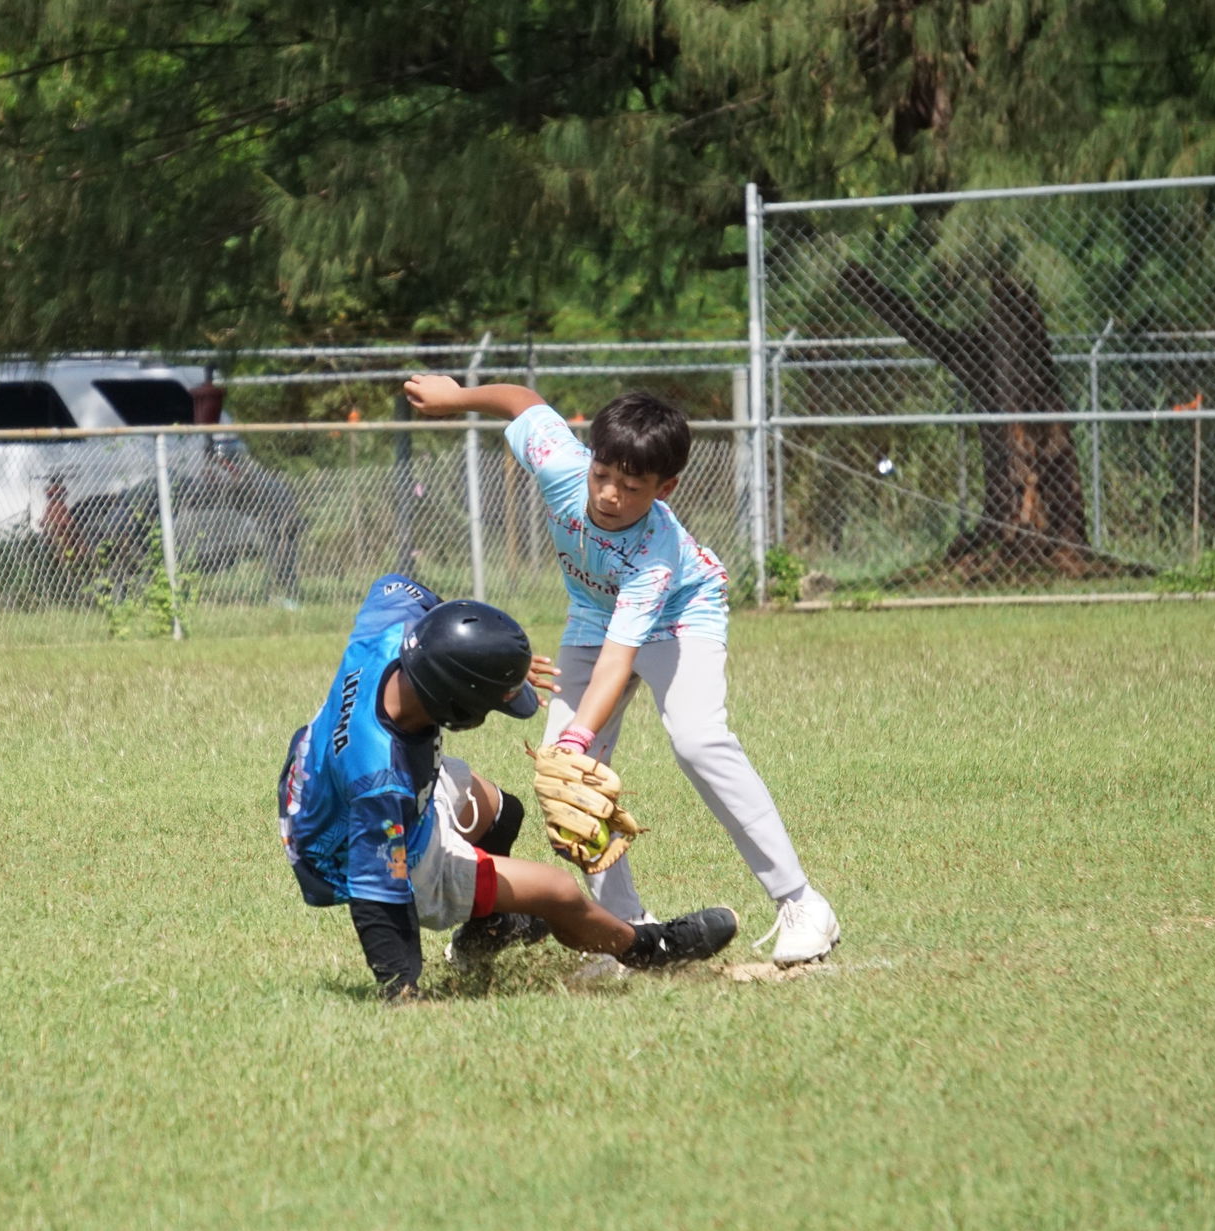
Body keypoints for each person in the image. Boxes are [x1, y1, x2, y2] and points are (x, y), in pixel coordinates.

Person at [402, 376, 841, 967]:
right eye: (602, 475)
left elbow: (620, 656)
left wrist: (580, 737)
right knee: (570, 781)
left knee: (697, 739)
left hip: (681, 615)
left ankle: (801, 902)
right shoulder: (562, 466)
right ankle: (627, 929)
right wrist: (456, 399)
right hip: (592, 613)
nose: (609, 494)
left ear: (666, 488)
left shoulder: (654, 551)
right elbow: (525, 403)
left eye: (632, 487)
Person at [277, 573, 741, 1000]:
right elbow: (375, 893)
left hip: (314, 782)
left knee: (501, 810)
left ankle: (486, 930)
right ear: (455, 710)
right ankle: (646, 947)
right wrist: (403, 991)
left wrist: (490, 656)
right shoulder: (381, 783)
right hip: (348, 854)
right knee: (556, 892)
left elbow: (394, 586)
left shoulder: (387, 632)